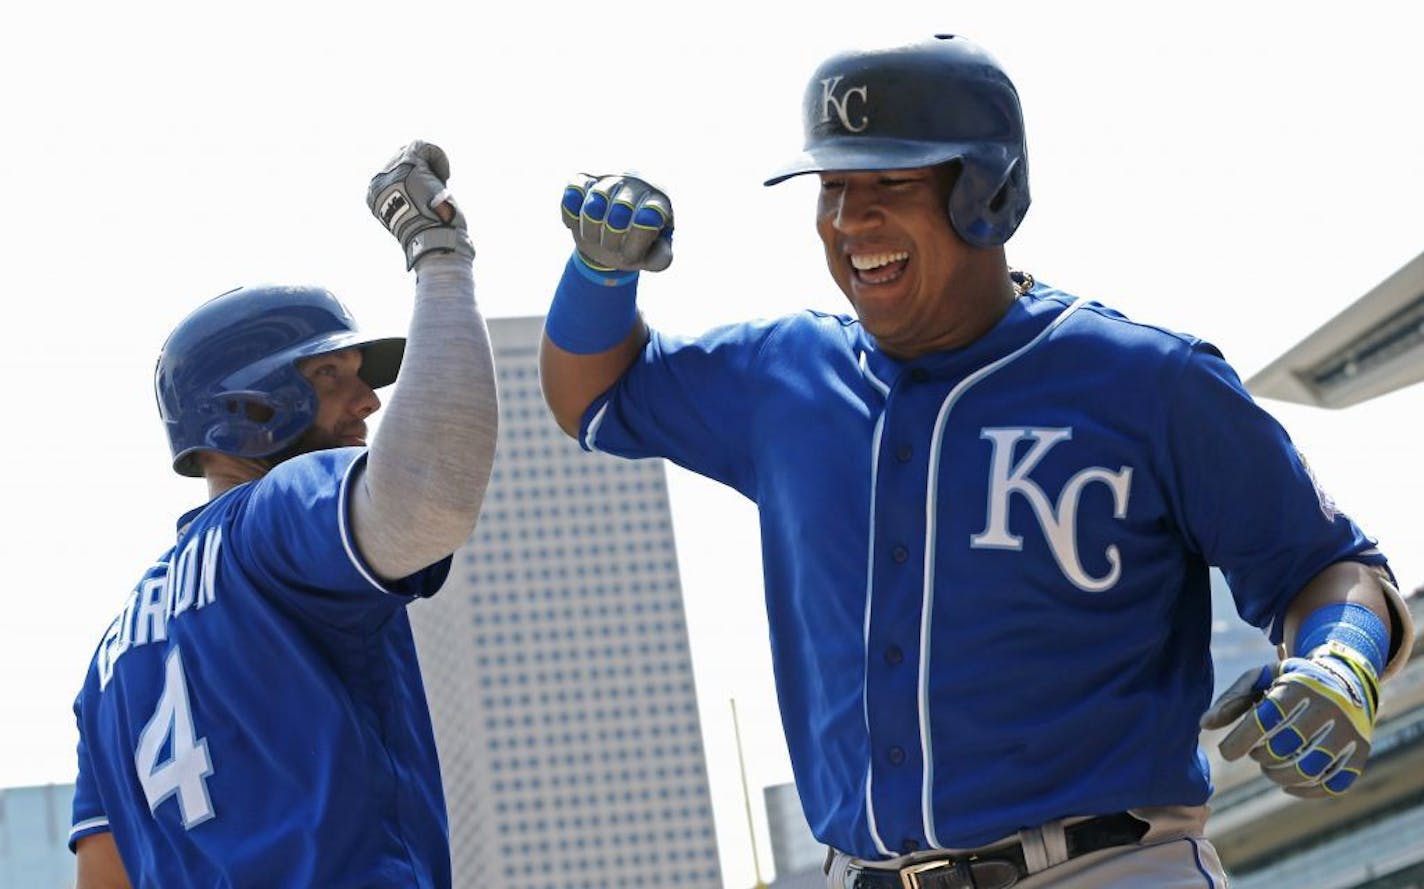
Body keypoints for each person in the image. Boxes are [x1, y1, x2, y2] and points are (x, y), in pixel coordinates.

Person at [539, 35, 1416, 889]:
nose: (851, 219)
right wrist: (598, 275)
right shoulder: (784, 374)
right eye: (834, 185)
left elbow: (1329, 566)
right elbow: (592, 394)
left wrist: (1338, 661)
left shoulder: (1150, 379)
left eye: (891, 180)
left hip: (1107, 863)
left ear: (986, 192)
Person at [68, 141, 497, 888]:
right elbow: (430, 496)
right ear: (248, 406)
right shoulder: (268, 522)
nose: (366, 401)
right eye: (330, 375)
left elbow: (103, 878)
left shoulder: (108, 660)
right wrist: (441, 256)